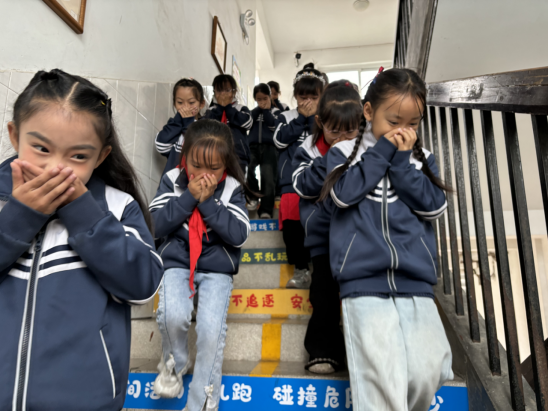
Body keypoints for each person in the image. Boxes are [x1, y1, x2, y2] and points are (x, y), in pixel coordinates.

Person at [0, 69, 164, 411]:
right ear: (15, 136)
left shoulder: (117, 207)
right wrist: (18, 218)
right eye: (41, 148)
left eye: (78, 157)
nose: (56, 169)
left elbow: (144, 285)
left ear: (101, 156)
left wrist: (84, 215)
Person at [321, 68, 454, 411]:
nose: (403, 130)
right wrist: (381, 154)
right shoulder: (343, 152)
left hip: (415, 280)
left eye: (413, 123)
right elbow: (341, 197)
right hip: (362, 282)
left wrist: (402, 165)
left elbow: (435, 208)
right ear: (368, 111)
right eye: (394, 121)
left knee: (428, 370)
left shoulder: (421, 159)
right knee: (381, 383)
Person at [150, 120, 250, 411]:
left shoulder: (232, 187)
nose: (204, 175)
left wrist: (208, 204)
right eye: (196, 165)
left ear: (226, 163)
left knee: (210, 330)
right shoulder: (172, 179)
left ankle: (203, 402)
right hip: (177, 261)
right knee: (172, 315)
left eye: (214, 168)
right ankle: (175, 363)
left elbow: (239, 235)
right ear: (185, 157)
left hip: (217, 268)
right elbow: (154, 225)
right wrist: (188, 197)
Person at [292, 80, 362, 375]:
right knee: (323, 294)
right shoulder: (309, 148)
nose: (342, 138)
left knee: (360, 294)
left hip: (360, 237)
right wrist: (333, 157)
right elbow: (301, 185)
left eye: (350, 131)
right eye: (334, 131)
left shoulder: (368, 146)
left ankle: (362, 353)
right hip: (323, 237)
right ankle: (322, 350)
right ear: (320, 122)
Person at [273, 63, 324, 289]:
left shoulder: (325, 118)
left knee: (318, 226)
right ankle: (301, 270)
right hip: (290, 184)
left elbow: (327, 141)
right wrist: (301, 119)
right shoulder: (285, 116)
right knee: (292, 230)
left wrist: (313, 119)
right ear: (295, 96)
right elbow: (278, 141)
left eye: (314, 97)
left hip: (320, 182)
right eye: (303, 97)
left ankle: (320, 270)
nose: (308, 101)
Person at [155, 78, 207, 175]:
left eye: (191, 103)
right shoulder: (174, 124)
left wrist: (188, 123)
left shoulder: (206, 127)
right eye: (180, 102)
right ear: (174, 103)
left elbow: (198, 151)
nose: (185, 107)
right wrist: (178, 119)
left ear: (201, 104)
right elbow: (161, 146)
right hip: (172, 182)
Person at [206, 75, 253, 175]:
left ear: (234, 92)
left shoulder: (241, 108)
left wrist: (228, 107)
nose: (223, 94)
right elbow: (206, 128)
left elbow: (248, 124)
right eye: (219, 90)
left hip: (238, 156)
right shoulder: (211, 111)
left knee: (238, 182)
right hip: (214, 155)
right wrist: (220, 108)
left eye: (227, 90)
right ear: (214, 93)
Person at [246, 83, 280, 219]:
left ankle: (266, 209)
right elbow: (248, 124)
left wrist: (266, 111)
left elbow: (273, 126)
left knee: (268, 176)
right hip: (252, 147)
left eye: (265, 98)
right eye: (259, 99)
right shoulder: (252, 112)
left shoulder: (276, 112)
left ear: (270, 97)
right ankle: (253, 196)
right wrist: (258, 110)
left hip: (270, 148)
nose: (262, 102)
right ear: (255, 99)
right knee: (248, 168)